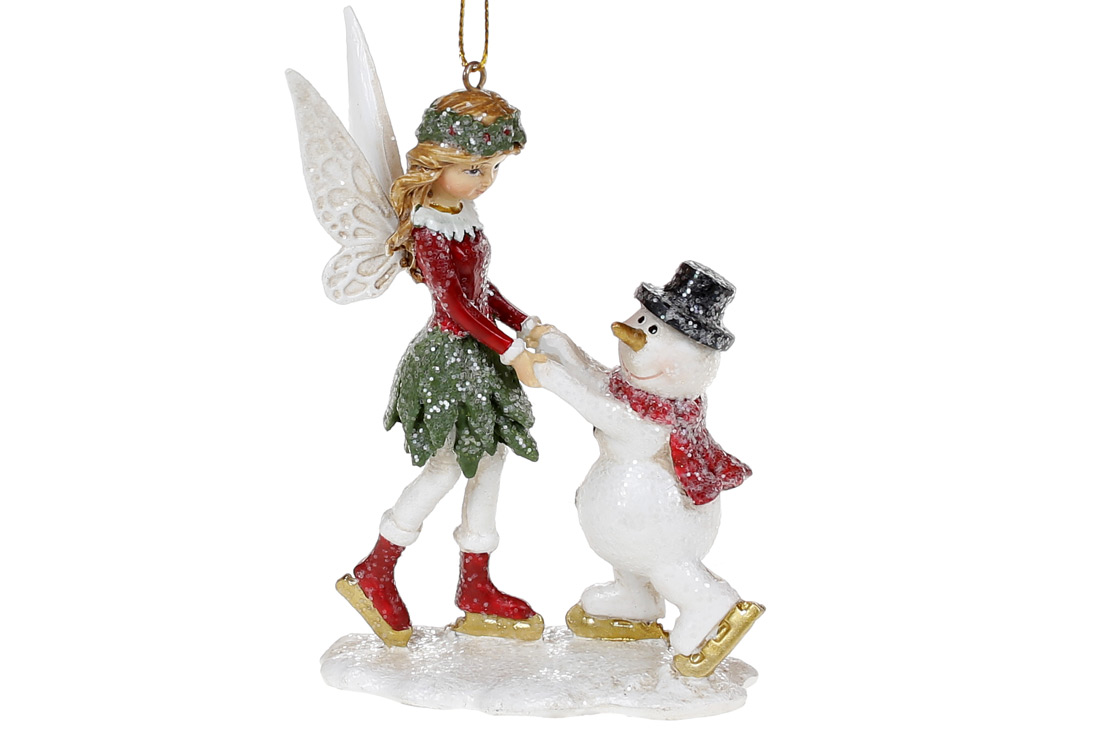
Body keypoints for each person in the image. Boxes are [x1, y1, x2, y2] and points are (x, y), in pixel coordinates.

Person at [335, 86, 546, 646]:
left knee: (491, 461)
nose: (486, 180)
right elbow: (452, 304)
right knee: (446, 468)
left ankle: (476, 585)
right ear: (437, 164)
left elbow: (481, 289)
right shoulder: (429, 227)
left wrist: (523, 322)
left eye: (493, 168)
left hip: (482, 356)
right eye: (474, 168)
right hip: (450, 360)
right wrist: (511, 351)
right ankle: (375, 569)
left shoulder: (464, 215)